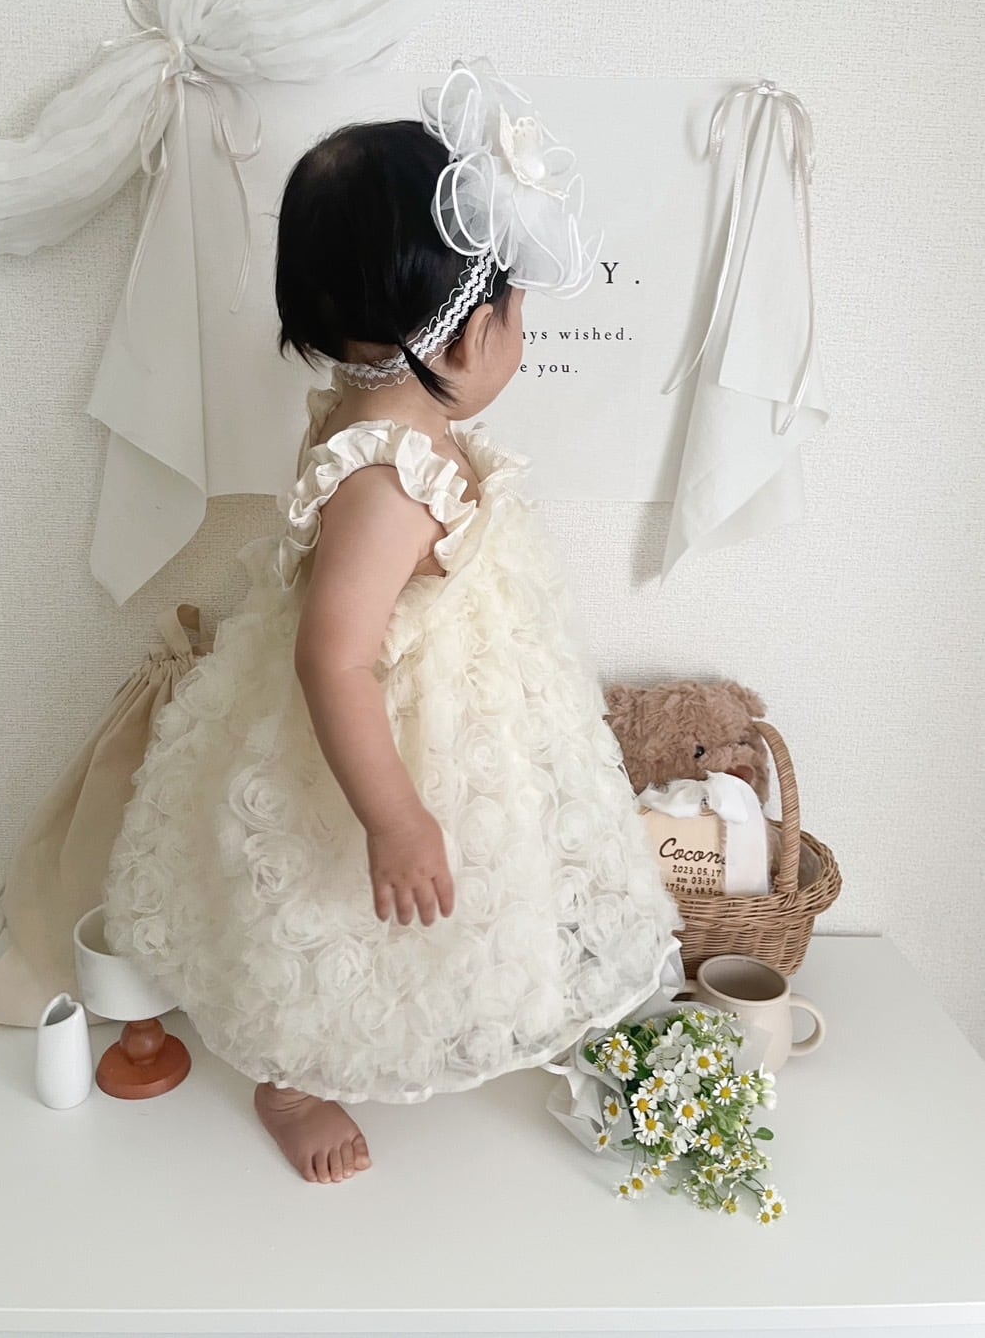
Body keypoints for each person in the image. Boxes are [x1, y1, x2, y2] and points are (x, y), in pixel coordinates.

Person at [101, 59, 683, 1185]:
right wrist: (393, 812)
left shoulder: (371, 414)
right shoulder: (387, 481)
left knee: (475, 880)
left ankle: (457, 997)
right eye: (514, 311)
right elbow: (334, 656)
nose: (521, 334)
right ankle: (291, 1074)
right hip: (387, 735)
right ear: (458, 338)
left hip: (454, 703)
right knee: (336, 889)